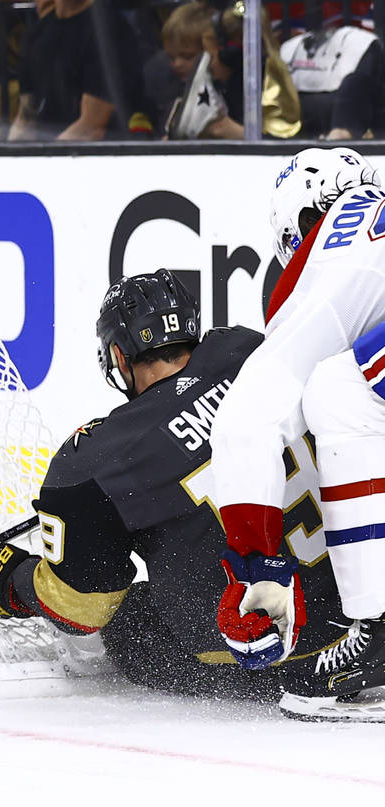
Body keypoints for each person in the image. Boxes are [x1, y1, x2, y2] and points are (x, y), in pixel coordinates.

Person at [0, 269, 350, 712]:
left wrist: (6, 579)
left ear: (118, 354)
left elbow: (78, 610)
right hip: (363, 620)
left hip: (271, 654)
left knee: (125, 620)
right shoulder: (250, 350)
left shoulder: (100, 459)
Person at [210, 146, 385, 721]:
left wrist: (258, 569)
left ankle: (381, 634)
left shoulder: (330, 266)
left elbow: (245, 423)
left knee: (339, 390)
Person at [156, 0, 300, 140]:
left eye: (210, 58)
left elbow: (286, 145)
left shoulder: (268, 88)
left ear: (231, 56)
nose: (207, 65)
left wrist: (231, 131)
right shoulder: (221, 89)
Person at [8, 0, 150, 141]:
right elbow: (25, 117)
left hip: (100, 156)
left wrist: (45, 158)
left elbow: (90, 128)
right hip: (52, 151)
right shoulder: (38, 34)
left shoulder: (110, 31)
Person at [279, 23, 385, 140]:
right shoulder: (288, 50)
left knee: (355, 84)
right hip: (290, 137)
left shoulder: (361, 48)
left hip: (344, 143)